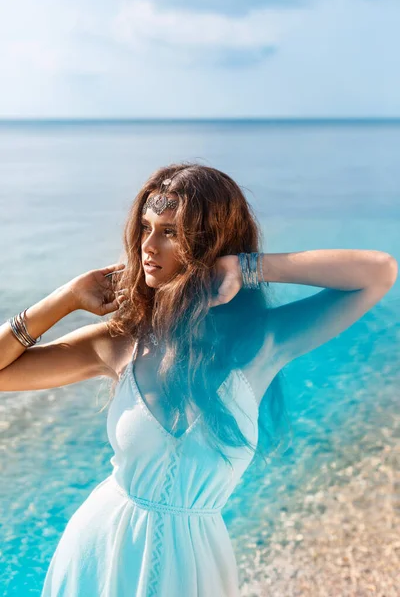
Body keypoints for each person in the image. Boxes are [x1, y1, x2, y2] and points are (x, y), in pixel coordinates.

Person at [0, 163, 397, 597]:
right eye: (146, 229)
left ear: (210, 242)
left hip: (194, 568)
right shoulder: (121, 342)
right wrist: (66, 299)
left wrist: (247, 267)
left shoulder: (261, 342)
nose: (148, 247)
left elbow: (378, 272)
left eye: (170, 232)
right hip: (101, 555)